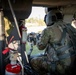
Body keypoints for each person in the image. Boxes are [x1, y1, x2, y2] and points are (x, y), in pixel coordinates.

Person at [30, 10, 76, 75]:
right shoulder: (71, 27)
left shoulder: (48, 30)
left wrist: (38, 38)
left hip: (63, 67)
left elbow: (40, 47)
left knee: (33, 61)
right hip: (74, 65)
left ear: (49, 18)